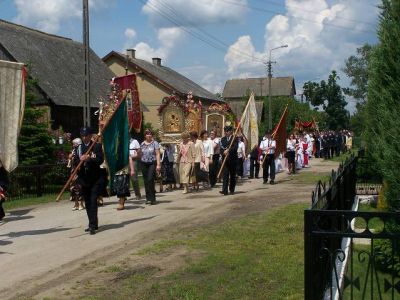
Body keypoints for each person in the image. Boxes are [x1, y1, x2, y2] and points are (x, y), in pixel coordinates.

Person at [74, 127, 104, 235]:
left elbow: (100, 159)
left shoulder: (96, 146)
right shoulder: (78, 148)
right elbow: (75, 161)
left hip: (95, 178)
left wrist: (89, 159)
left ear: (90, 135)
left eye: (86, 135)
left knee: (93, 200)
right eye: (82, 135)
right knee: (87, 202)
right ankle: (93, 223)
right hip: (84, 179)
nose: (84, 137)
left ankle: (92, 225)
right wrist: (80, 159)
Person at [140, 129, 161, 205]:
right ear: (145, 135)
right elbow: (140, 154)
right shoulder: (142, 144)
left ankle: (153, 198)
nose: (149, 135)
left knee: (150, 179)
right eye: (147, 134)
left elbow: (158, 154)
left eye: (150, 134)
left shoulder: (155, 143)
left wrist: (158, 165)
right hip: (143, 163)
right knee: (146, 181)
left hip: (152, 163)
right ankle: (148, 198)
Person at [219, 125, 239, 195]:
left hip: (233, 160)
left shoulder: (235, 138)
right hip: (225, 160)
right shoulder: (222, 139)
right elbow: (221, 148)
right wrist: (223, 152)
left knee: (232, 176)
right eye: (225, 131)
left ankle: (232, 189)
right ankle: (224, 190)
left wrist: (229, 150)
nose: (226, 132)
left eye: (227, 131)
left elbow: (235, 148)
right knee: (225, 175)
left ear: (231, 131)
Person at [68, 138, 85, 211]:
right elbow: (71, 162)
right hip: (73, 171)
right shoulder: (74, 150)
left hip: (79, 171)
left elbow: (80, 160)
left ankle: (81, 203)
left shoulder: (81, 149)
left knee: (80, 187)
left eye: (74, 143)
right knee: (73, 188)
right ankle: (76, 203)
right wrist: (70, 157)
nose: (73, 145)